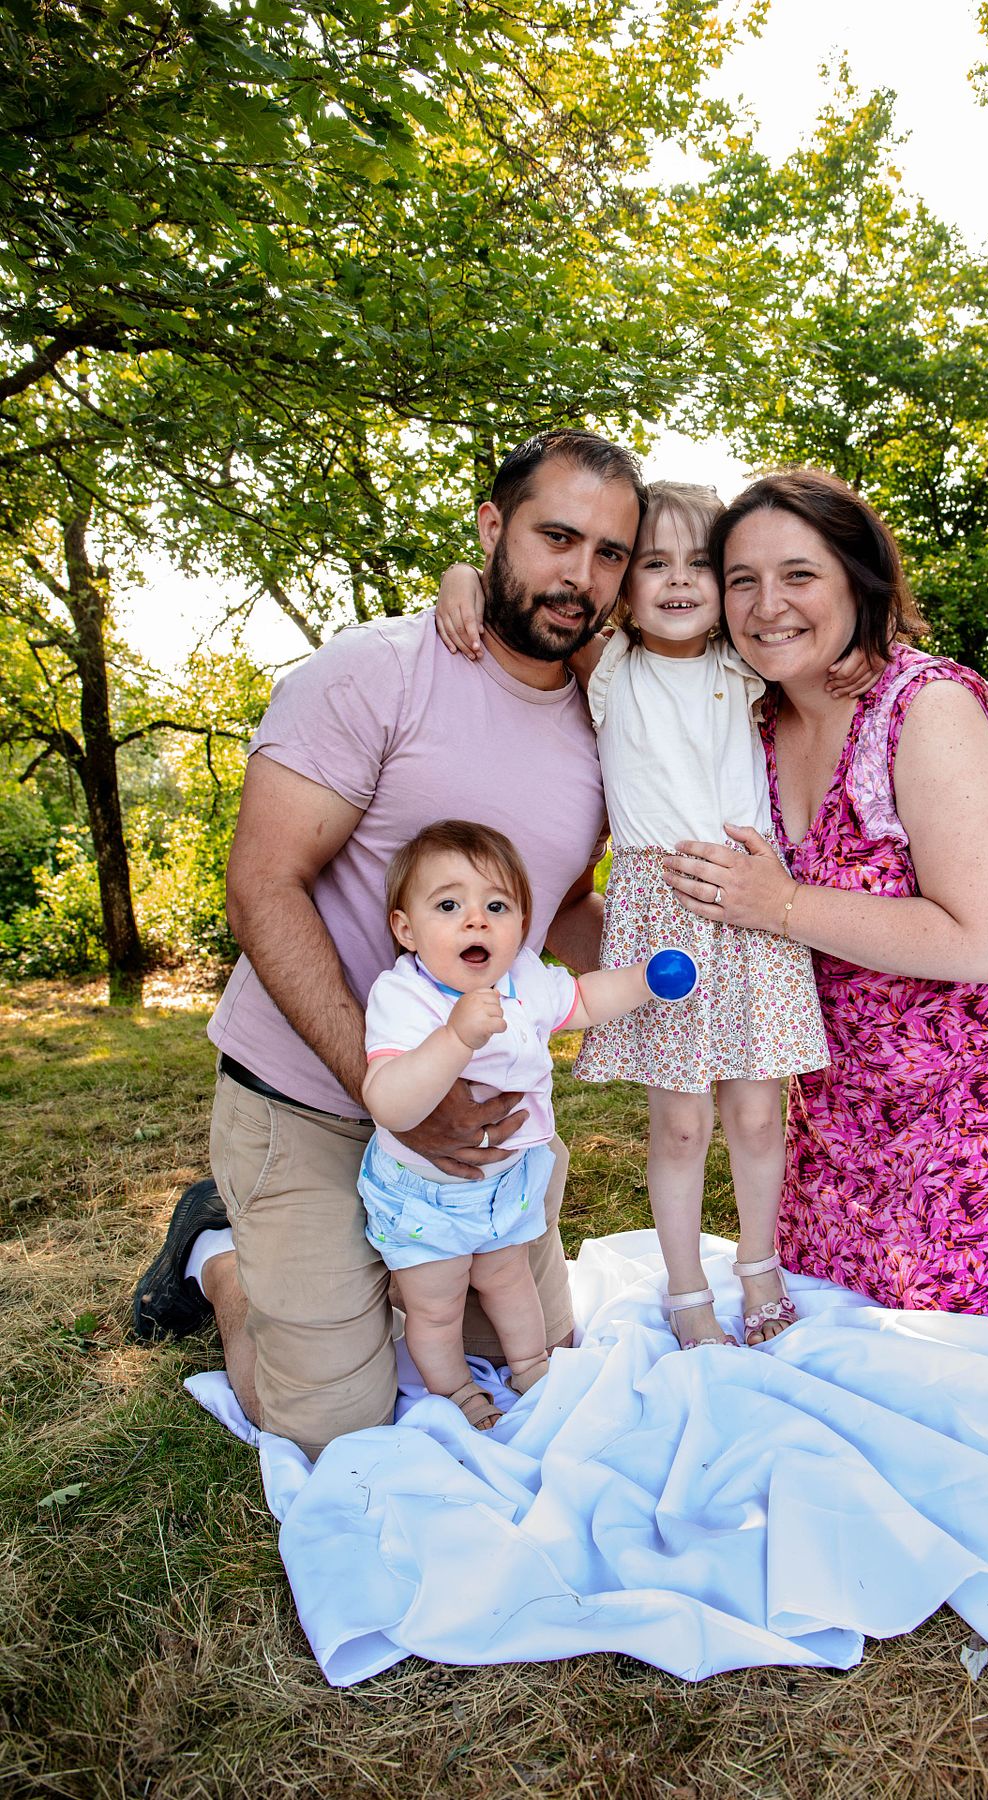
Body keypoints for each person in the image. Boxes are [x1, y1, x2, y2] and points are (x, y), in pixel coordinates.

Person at [133, 429, 645, 1460]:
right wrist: (394, 1093)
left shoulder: (608, 717)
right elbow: (261, 884)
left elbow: (564, 910)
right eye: (556, 537)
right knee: (334, 1421)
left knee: (537, 1350)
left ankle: (369, 1271)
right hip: (313, 1100)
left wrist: (664, 958)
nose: (578, 576)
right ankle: (222, 1258)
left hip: (477, 1138)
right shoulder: (374, 672)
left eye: (608, 554)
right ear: (492, 530)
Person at [662, 467, 988, 1319]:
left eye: (799, 575)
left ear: (858, 580)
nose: (768, 606)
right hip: (846, 1079)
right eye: (742, 581)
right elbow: (618, 648)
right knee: (830, 1276)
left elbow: (984, 943)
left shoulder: (922, 705)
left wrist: (781, 905)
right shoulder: (742, 717)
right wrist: (468, 584)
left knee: (968, 1296)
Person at [436, 482, 875, 1350]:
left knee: (757, 1114)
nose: (679, 582)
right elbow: (516, 612)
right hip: (659, 906)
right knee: (681, 1120)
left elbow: (825, 636)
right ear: (624, 586)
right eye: (653, 564)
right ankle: (685, 1293)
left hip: (750, 904)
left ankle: (760, 1266)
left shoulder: (745, 665)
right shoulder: (607, 666)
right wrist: (461, 573)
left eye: (702, 565)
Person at [359, 819, 656, 1430]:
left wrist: (645, 980)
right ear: (406, 929)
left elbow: (584, 1001)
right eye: (449, 905)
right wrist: (454, 1036)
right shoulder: (405, 997)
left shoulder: (523, 977)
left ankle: (532, 1367)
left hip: (507, 1179)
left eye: (498, 905)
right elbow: (389, 1102)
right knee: (436, 1305)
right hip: (427, 1196)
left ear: (522, 925)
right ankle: (457, 1393)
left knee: (508, 1278)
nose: (476, 920)